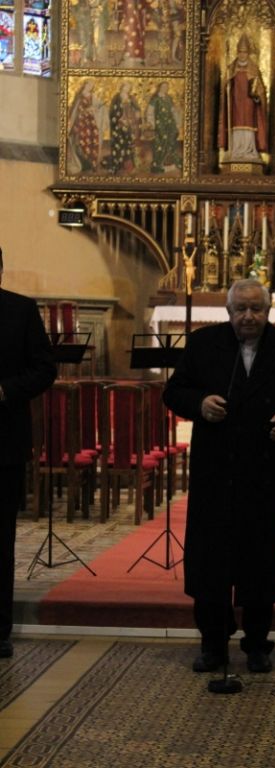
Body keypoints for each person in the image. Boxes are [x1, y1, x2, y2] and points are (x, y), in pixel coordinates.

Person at [163, 279, 275, 673]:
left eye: (256, 309)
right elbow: (174, 391)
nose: (248, 317)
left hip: (265, 468)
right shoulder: (203, 344)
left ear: (268, 311)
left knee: (261, 557)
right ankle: (213, 644)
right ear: (228, 311)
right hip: (215, 469)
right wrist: (200, 403)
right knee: (211, 558)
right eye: (241, 309)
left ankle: (257, 644)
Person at [0, 248, 57, 659]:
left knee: (1, 540)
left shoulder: (20, 310)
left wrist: (5, 390)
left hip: (2, 441)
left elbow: (44, 368)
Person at [218, 34, 268, 163]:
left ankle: (249, 150)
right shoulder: (231, 68)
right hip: (235, 102)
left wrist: (257, 96)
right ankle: (236, 151)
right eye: (240, 52)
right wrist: (227, 86)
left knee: (249, 124)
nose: (242, 55)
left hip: (249, 102)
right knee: (236, 124)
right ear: (237, 52)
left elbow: (260, 89)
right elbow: (225, 87)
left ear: (248, 53)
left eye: (245, 52)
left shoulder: (254, 68)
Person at [67, 79, 107, 174]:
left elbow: (99, 107)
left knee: (94, 140)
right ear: (85, 85)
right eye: (89, 85)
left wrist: (96, 109)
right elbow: (77, 110)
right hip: (81, 122)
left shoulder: (93, 96)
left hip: (91, 122)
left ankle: (91, 164)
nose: (90, 87)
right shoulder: (79, 96)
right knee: (82, 141)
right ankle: (83, 164)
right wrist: (88, 109)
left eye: (91, 86)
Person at [146, 81, 181, 173]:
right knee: (161, 143)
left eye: (167, 87)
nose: (165, 88)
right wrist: (151, 123)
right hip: (160, 125)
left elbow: (173, 110)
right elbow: (150, 111)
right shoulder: (155, 99)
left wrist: (177, 122)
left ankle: (170, 163)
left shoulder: (169, 98)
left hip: (170, 124)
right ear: (160, 88)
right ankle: (158, 164)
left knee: (171, 142)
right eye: (163, 87)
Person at [106, 82, 141, 174]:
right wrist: (119, 119)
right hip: (118, 126)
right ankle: (116, 165)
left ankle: (128, 166)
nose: (127, 88)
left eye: (129, 87)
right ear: (122, 87)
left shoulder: (131, 98)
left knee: (129, 145)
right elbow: (112, 112)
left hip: (129, 125)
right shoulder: (116, 98)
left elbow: (137, 109)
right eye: (126, 86)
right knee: (118, 145)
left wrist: (137, 113)